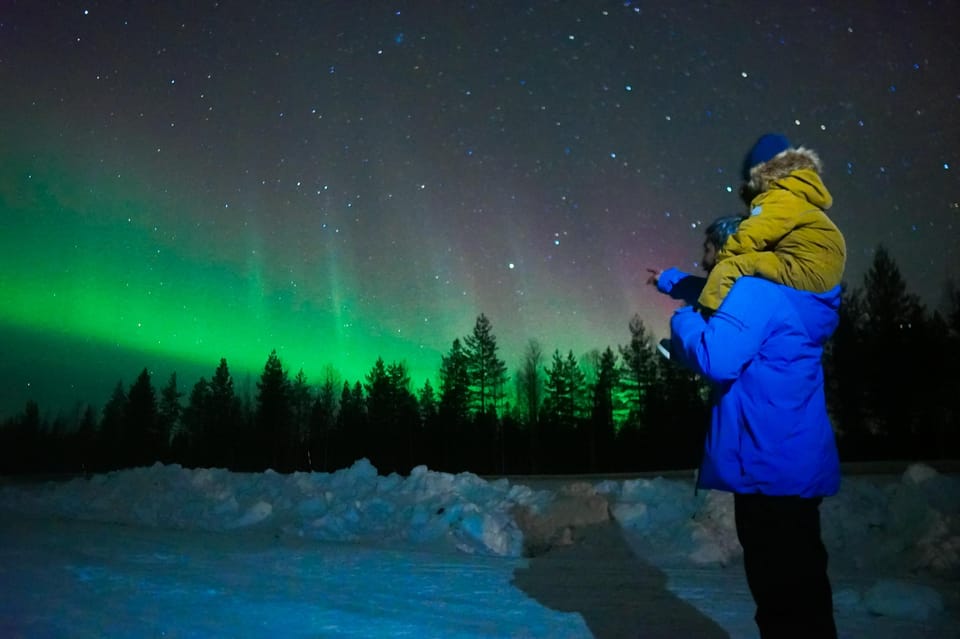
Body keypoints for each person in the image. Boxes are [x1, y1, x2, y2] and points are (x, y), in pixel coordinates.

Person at [650, 214, 841, 639]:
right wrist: (672, 281)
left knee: (782, 596)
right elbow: (720, 295)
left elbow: (716, 356)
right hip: (786, 465)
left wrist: (683, 319)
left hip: (768, 468)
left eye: (709, 248)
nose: (703, 259)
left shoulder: (757, 294)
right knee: (800, 592)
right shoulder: (778, 291)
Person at [696, 133, 846, 313]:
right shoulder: (797, 194)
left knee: (731, 267)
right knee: (754, 268)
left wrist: (722, 259)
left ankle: (712, 316)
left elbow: (752, 234)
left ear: (760, 173)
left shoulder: (777, 196)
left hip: (804, 265)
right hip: (823, 270)